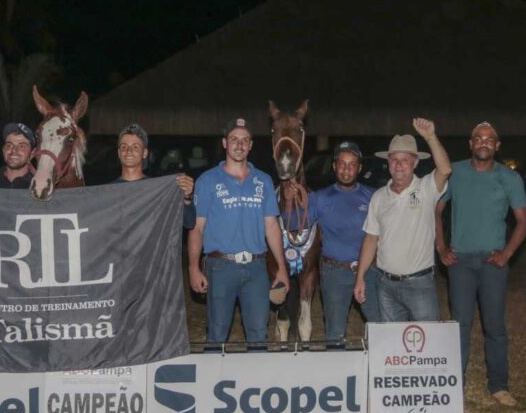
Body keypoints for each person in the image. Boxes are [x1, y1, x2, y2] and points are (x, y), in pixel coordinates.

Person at [435, 122, 526, 407]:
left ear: (497, 146)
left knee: (495, 326)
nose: (483, 143)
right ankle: (456, 383)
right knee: (460, 324)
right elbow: (435, 209)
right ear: (470, 143)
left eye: (489, 139)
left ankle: (498, 385)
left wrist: (507, 253)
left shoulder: (508, 178)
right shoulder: (456, 172)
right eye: (478, 138)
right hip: (461, 261)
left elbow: (523, 220)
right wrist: (441, 247)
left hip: (492, 262)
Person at [188, 117, 289, 343]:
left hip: (256, 268)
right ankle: (214, 376)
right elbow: (197, 228)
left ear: (251, 145)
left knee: (258, 334)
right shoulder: (207, 181)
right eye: (234, 139)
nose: (239, 144)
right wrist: (193, 267)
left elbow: (272, 226)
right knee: (216, 335)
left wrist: (282, 268)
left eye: (245, 140)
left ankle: (255, 379)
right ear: (225, 143)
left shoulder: (263, 181)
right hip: (220, 266)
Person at [353, 118, 452, 321]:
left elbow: (445, 170)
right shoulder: (379, 197)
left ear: (415, 163)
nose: (398, 165)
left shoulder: (426, 188)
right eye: (394, 160)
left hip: (419, 285)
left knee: (426, 343)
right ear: (388, 162)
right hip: (385, 285)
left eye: (404, 160)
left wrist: (431, 137)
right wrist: (360, 277)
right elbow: (371, 239)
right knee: (393, 347)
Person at [309, 140, 378, 340]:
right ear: (334, 166)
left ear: (359, 168)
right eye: (341, 163)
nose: (346, 169)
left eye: (352, 164)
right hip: (334, 273)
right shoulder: (320, 197)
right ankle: (336, 369)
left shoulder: (372, 196)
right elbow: (297, 225)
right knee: (335, 331)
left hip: (369, 272)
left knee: (378, 325)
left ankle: (376, 369)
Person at [114, 123, 196, 229]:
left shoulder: (158, 192)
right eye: (124, 146)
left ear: (144, 153)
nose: (129, 151)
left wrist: (186, 197)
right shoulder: (107, 192)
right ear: (119, 153)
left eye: (135, 147)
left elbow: (189, 222)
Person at [0, 123, 36, 189]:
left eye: (22, 146)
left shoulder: (37, 187)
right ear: (3, 150)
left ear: (32, 153)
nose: (14, 150)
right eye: (9, 145)